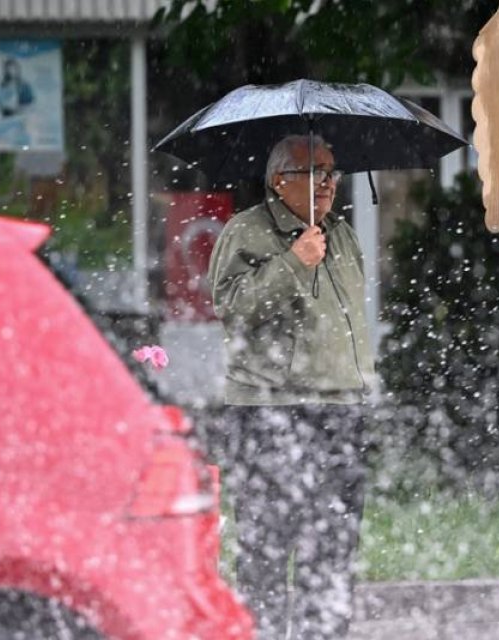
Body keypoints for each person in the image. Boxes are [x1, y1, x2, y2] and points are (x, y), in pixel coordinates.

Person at [207, 134, 377, 639]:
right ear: (279, 180)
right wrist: (291, 263)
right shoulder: (247, 232)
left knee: (333, 546)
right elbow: (232, 310)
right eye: (314, 171)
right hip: (271, 411)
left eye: (332, 172)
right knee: (266, 546)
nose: (327, 182)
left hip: (341, 411)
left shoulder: (341, 234)